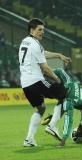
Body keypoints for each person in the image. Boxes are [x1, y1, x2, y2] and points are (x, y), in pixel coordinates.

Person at [18, 18, 71, 147]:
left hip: (25, 84)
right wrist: (57, 80)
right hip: (36, 81)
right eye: (40, 30)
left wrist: (58, 55)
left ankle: (29, 139)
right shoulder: (35, 44)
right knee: (65, 95)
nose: (42, 32)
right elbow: (45, 68)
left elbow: (42, 53)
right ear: (32, 30)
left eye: (43, 30)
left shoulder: (26, 41)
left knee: (41, 108)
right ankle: (52, 126)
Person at [41, 68, 82, 146]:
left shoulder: (69, 101)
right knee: (62, 102)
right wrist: (48, 73)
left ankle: (81, 132)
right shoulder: (68, 81)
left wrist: (63, 140)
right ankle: (53, 121)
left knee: (77, 138)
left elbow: (69, 121)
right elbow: (59, 70)